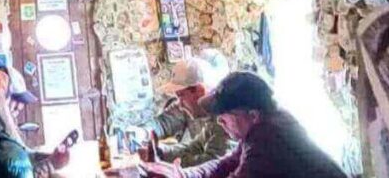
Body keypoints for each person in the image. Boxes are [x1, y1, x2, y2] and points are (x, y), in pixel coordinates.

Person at [143, 72, 348, 178]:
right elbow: (225, 164)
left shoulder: (270, 137)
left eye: (225, 114)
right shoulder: (259, 128)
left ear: (252, 114)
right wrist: (184, 174)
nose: (220, 120)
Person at [150, 59, 232, 168]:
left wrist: (167, 164)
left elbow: (212, 164)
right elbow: (193, 148)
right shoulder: (211, 119)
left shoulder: (225, 120)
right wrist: (159, 151)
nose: (180, 104)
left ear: (199, 90)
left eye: (180, 96)